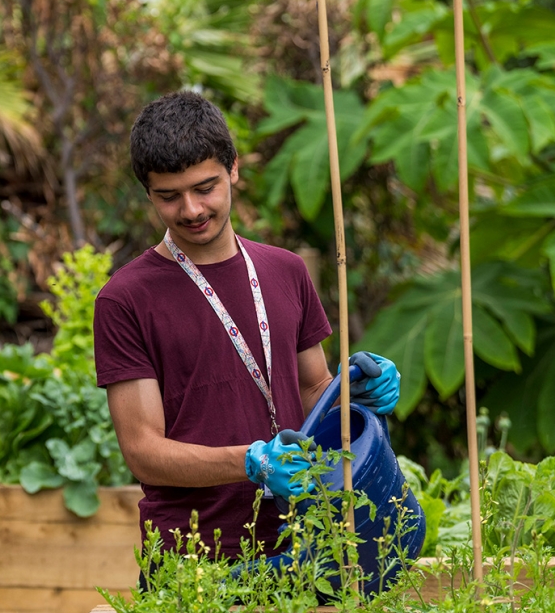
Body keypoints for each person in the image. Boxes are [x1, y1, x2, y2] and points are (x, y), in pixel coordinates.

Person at [93, 91, 400, 559]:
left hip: (310, 549)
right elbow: (142, 450)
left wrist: (354, 392)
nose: (192, 210)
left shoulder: (287, 270)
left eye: (206, 187)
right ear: (147, 192)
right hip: (196, 562)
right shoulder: (125, 299)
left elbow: (313, 391)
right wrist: (249, 462)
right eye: (169, 196)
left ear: (233, 167)